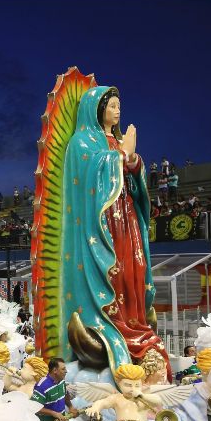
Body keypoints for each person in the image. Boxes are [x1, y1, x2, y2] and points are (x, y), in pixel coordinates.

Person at [58, 85, 170, 377]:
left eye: (119, 106)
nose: (117, 111)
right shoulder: (81, 142)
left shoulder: (118, 141)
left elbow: (135, 178)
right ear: (97, 110)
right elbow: (86, 176)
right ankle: (110, 323)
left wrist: (132, 161)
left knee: (134, 267)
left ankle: (134, 320)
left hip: (127, 218)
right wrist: (119, 156)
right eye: (112, 106)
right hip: (101, 224)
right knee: (114, 270)